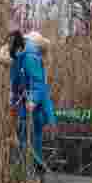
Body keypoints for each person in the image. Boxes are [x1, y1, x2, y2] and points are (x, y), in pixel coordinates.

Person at [16, 30, 57, 174]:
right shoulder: (33, 58)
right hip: (30, 103)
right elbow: (40, 88)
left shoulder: (30, 57)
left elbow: (39, 86)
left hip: (31, 104)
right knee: (29, 133)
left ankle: (29, 167)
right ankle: (33, 166)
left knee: (26, 133)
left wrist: (32, 100)